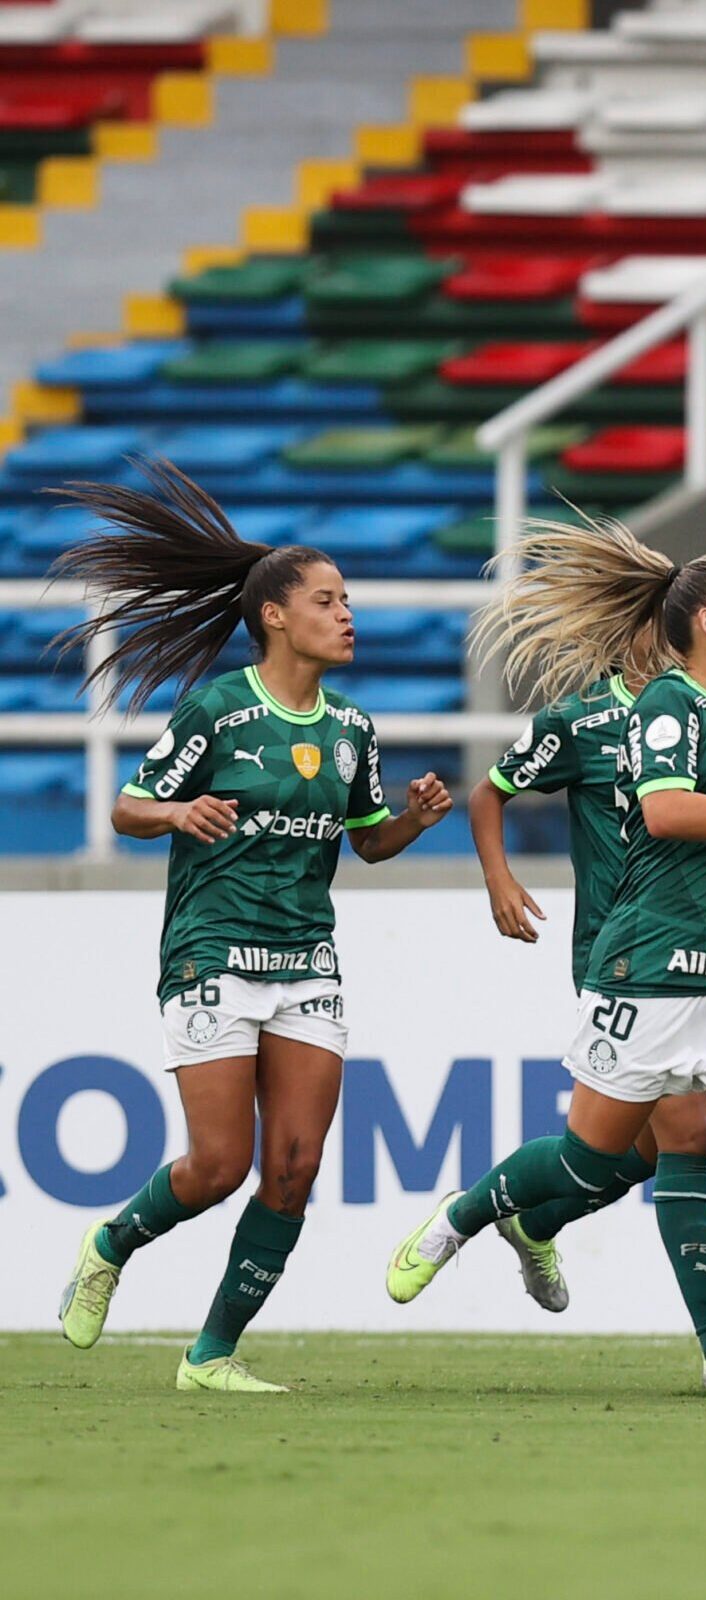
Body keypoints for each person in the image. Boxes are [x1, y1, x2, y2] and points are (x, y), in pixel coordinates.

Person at [382, 548, 706, 1406]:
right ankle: (469, 1211)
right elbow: (665, 813)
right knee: (593, 1165)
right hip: (652, 970)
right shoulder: (668, 705)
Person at [51, 460, 452, 1391]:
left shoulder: (353, 727)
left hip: (307, 957)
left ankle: (211, 1355)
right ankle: (110, 1243)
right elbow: (127, 808)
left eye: (347, 598)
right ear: (274, 615)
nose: (347, 613)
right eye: (326, 598)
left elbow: (366, 845)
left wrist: (414, 823)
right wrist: (179, 814)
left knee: (295, 1168)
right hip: (213, 951)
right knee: (220, 1164)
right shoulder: (220, 709)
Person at [460, 514, 706, 1395]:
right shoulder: (592, 720)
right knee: (669, 1141)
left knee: (639, 1156)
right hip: (628, 954)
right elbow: (493, 792)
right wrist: (500, 881)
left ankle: (530, 1226)